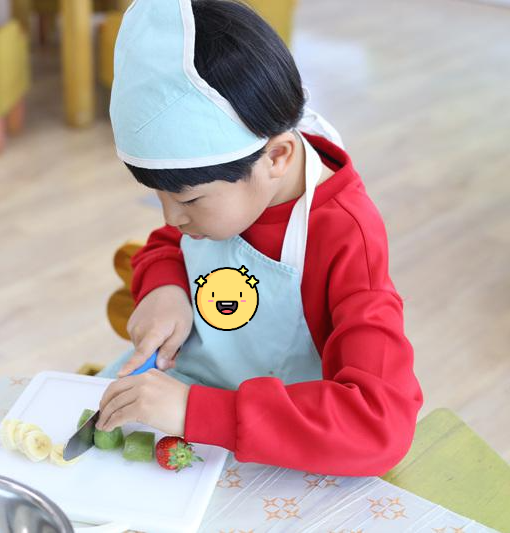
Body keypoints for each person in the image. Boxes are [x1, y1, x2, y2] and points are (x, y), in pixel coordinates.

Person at [96, 0, 422, 476]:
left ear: (277, 158)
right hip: (177, 399)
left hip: (281, 442)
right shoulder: (229, 191)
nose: (171, 216)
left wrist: (194, 410)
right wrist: (164, 287)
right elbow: (171, 241)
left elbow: (380, 426)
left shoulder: (346, 238)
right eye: (159, 195)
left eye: (188, 200)